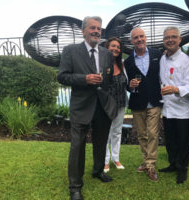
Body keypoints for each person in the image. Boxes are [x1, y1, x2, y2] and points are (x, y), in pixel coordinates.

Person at [57, 16, 117, 200]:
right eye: (92, 28)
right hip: (81, 106)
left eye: (99, 28)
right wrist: (85, 79)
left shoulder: (107, 54)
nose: (96, 31)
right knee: (77, 146)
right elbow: (62, 77)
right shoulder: (71, 51)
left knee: (101, 141)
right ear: (83, 31)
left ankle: (98, 171)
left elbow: (109, 79)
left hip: (102, 106)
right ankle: (75, 186)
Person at [159, 27, 189, 184]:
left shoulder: (186, 61)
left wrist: (175, 89)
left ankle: (182, 169)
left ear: (180, 40)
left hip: (182, 110)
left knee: (183, 142)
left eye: (173, 37)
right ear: (164, 40)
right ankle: (173, 164)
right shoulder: (163, 59)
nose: (170, 40)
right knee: (171, 140)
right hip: (167, 109)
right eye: (167, 37)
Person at [124, 27, 162, 182]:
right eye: (136, 38)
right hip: (138, 102)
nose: (139, 39)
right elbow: (126, 84)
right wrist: (130, 86)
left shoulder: (157, 54)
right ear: (131, 41)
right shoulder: (127, 62)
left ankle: (151, 166)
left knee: (153, 134)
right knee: (142, 135)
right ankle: (146, 161)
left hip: (154, 101)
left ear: (145, 38)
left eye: (141, 36)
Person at [104, 37, 127, 173]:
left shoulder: (123, 64)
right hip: (106, 105)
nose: (115, 49)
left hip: (121, 103)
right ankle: (106, 161)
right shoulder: (102, 64)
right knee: (106, 133)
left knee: (117, 132)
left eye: (118, 47)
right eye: (113, 46)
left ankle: (116, 158)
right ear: (107, 47)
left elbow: (127, 84)